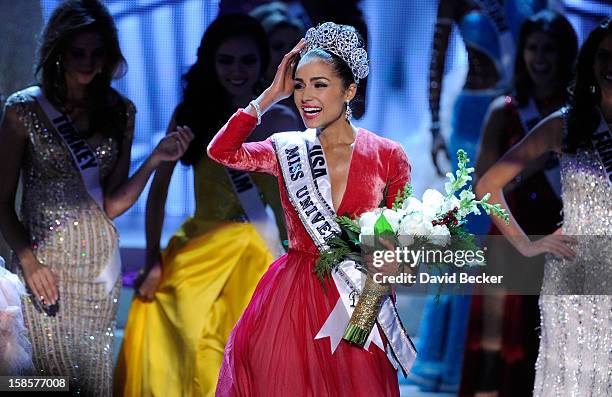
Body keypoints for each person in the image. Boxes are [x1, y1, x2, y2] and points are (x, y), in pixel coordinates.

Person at [208, 22, 416, 396]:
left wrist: (367, 317)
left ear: (349, 90)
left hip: (356, 295)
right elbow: (221, 152)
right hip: (291, 298)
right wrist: (269, 96)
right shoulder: (285, 148)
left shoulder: (388, 155)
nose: (306, 96)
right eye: (300, 85)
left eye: (320, 84)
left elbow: (390, 249)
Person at [0, 1, 192, 395]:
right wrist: (29, 261)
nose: (88, 62)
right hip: (43, 268)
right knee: (43, 383)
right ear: (59, 52)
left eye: (97, 53)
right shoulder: (23, 110)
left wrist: (155, 158)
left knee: (91, 382)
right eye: (78, 52)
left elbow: (111, 204)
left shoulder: (120, 111)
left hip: (99, 268)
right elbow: (0, 201)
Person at [114, 14, 300, 397]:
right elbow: (159, 190)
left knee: (244, 346)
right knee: (163, 315)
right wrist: (152, 259)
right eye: (225, 60)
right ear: (210, 62)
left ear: (264, 62)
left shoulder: (282, 119)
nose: (236, 71)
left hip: (259, 250)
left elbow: (292, 204)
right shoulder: (192, 114)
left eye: (247, 61)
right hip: (201, 244)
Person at [409, 1, 546, 392]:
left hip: (514, 116)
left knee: (498, 233)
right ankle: (449, 357)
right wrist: (435, 122)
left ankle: (492, 354)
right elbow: (436, 59)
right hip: (471, 114)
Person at [476, 16, 612, 396]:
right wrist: (526, 244)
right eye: (603, 56)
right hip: (574, 278)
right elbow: (487, 186)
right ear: (590, 62)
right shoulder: (563, 125)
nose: (610, 66)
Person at [460, 10, 577, 397]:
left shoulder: (579, 119)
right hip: (510, 236)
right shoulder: (505, 110)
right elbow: (482, 185)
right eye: (532, 48)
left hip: (562, 236)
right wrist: (531, 168)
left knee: (551, 346)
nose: (540, 58)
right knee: (498, 349)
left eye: (549, 49)